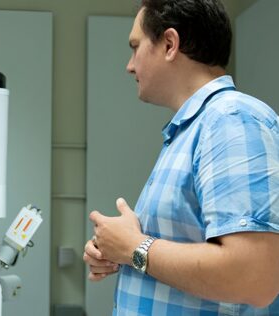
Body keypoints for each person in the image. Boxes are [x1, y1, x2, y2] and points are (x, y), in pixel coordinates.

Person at [83, 0, 279, 315]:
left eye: (136, 47)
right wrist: (119, 249)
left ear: (170, 44)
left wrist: (135, 248)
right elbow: (181, 251)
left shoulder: (231, 119)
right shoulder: (191, 130)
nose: (129, 65)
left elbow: (253, 278)